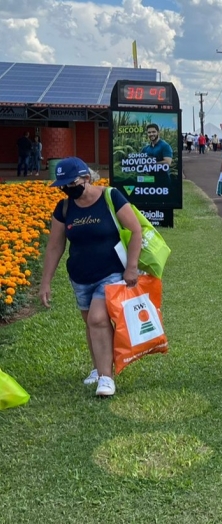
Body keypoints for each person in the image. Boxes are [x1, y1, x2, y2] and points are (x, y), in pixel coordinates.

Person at [38, 157, 142, 397]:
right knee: (92, 323)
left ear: (86, 177)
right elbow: (55, 246)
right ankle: (98, 368)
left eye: (70, 183)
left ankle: (106, 378)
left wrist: (132, 267)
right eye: (62, 185)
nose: (66, 189)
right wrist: (45, 282)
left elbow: (135, 230)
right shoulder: (64, 208)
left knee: (97, 319)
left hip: (112, 271)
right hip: (80, 276)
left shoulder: (110, 197)